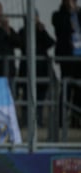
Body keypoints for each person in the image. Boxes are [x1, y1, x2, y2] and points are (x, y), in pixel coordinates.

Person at [18, 10, 56, 127]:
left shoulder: (40, 31)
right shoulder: (23, 32)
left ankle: (38, 122)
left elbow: (50, 43)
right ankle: (26, 122)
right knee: (27, 97)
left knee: (40, 98)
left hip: (42, 70)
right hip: (27, 69)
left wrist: (42, 30)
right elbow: (22, 44)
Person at [52, 0, 81, 128]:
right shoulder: (58, 15)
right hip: (67, 57)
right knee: (66, 89)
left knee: (79, 91)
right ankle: (61, 121)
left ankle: (76, 120)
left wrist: (76, 12)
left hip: (79, 58)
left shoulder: (79, 14)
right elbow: (61, 29)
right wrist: (69, 12)